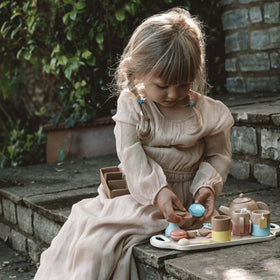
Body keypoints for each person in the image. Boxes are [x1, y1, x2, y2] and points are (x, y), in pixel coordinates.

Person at [34, 7, 234, 280]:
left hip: (184, 204)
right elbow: (131, 157)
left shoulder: (208, 113)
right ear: (138, 72)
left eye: (183, 84)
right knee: (93, 245)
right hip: (140, 198)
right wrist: (158, 192)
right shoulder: (134, 107)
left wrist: (206, 186)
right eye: (162, 86)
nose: (173, 94)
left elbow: (218, 154)